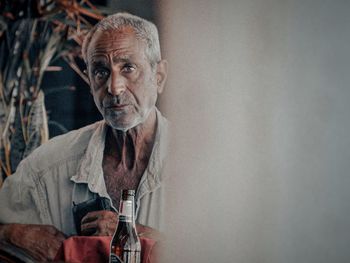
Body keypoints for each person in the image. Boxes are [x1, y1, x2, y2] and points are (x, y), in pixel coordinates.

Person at [0, 12, 168, 261]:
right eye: (100, 71)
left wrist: (135, 236)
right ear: (89, 82)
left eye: (128, 67)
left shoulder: (204, 165)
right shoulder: (48, 165)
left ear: (159, 77)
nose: (114, 87)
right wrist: (13, 234)